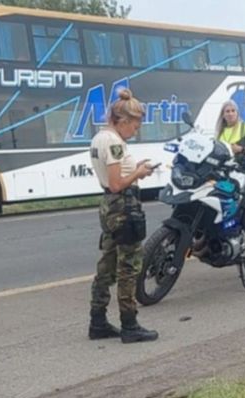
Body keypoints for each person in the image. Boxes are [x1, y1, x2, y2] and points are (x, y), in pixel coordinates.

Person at [88, 88, 159, 344]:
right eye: (136, 125)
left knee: (107, 263)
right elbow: (118, 183)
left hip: (108, 205)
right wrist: (138, 173)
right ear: (124, 121)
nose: (136, 131)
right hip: (123, 205)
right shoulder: (115, 142)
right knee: (129, 265)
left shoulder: (99, 138)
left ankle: (97, 320)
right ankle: (130, 324)